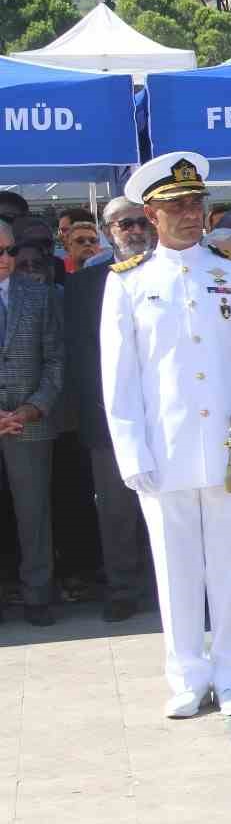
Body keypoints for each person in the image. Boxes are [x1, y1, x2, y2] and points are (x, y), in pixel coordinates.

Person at [101, 153, 231, 718]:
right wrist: (131, 449)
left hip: (230, 449)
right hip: (165, 448)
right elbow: (120, 376)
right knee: (174, 568)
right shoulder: (129, 283)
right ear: (149, 216)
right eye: (174, 206)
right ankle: (186, 676)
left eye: (196, 203)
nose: (188, 214)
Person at [64, 200, 152, 622]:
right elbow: (80, 357)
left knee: (174, 509)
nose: (134, 230)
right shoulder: (84, 286)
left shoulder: (171, 272)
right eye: (124, 224)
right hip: (110, 420)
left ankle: (179, 589)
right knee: (117, 512)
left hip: (170, 417)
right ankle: (123, 588)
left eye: (141, 221)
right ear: (107, 230)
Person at [0, 217, 65, 627]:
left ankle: (38, 594)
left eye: (8, 251)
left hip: (30, 421)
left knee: (33, 513)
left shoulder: (39, 295)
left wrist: (33, 407)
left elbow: (57, 359)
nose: (5, 260)